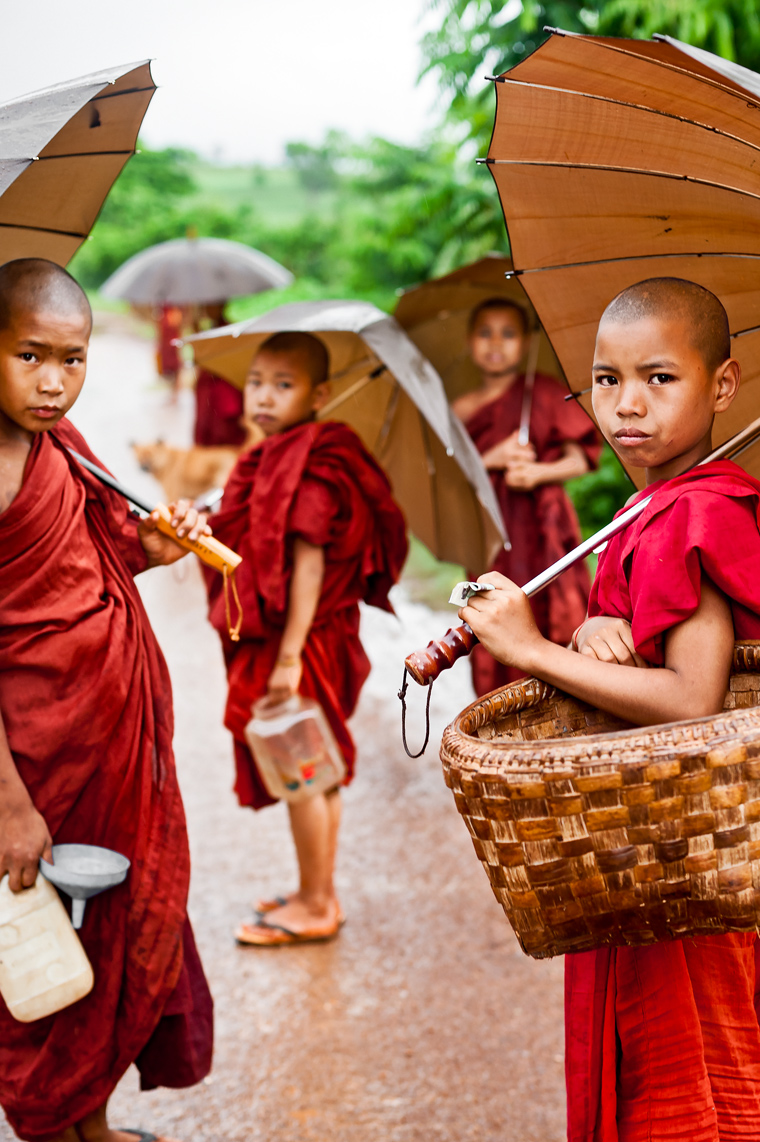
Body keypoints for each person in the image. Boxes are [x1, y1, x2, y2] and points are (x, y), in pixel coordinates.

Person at [459, 277, 760, 1139]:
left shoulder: (693, 511)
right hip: (655, 841)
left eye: (660, 378)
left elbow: (691, 699)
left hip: (684, 854)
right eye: (606, 379)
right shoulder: (648, 508)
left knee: (690, 1089)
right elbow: (660, 631)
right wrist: (598, 620)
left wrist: (531, 651)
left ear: (723, 385)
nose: (628, 404)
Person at [0, 259, 213, 1142]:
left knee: (103, 934)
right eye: (29, 356)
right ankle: (58, 1125)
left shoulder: (59, 445)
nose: (54, 383)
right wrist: (8, 805)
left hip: (109, 743)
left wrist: (157, 548)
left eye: (74, 359)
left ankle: (93, 1126)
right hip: (36, 761)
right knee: (47, 943)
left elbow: (97, 555)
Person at [203, 331, 407, 946]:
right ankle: (314, 887)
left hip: (306, 637)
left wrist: (289, 657)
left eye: (283, 386)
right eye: (256, 382)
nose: (264, 396)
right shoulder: (280, 452)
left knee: (303, 765)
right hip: (306, 632)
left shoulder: (316, 466)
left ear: (319, 393)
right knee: (315, 762)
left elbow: (310, 565)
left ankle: (317, 904)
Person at [452, 297, 602, 694]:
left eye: (508, 333)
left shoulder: (545, 393)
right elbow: (450, 478)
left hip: (542, 522)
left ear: (525, 343)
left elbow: (582, 459)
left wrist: (538, 472)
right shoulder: (461, 408)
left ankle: (562, 693)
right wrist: (491, 459)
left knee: (555, 603)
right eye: (485, 333)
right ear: (470, 342)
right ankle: (500, 704)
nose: (496, 343)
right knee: (490, 609)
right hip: (489, 527)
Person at [192, 303, 247, 448]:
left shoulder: (231, 330)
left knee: (226, 437)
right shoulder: (208, 330)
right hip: (208, 387)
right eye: (205, 306)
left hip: (224, 387)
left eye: (211, 305)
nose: (207, 309)